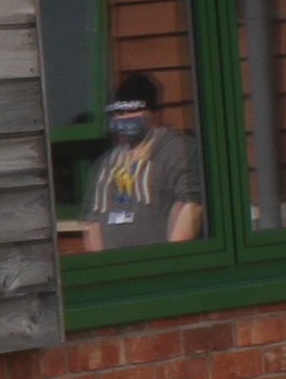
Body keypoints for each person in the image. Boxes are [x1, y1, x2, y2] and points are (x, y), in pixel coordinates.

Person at [80, 70, 208, 248]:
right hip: (116, 271)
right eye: (119, 112)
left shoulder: (178, 149)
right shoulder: (104, 164)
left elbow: (191, 206)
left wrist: (172, 260)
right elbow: (92, 223)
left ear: (154, 114)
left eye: (134, 110)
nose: (125, 118)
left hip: (160, 269)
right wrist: (102, 269)